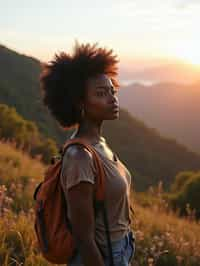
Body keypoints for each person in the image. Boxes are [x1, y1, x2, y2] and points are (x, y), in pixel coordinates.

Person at [40, 42, 135, 266]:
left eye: (112, 90)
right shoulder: (79, 157)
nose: (113, 98)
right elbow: (84, 238)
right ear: (80, 103)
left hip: (120, 249)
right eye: (101, 93)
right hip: (101, 257)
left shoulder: (99, 143)